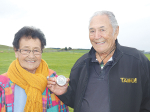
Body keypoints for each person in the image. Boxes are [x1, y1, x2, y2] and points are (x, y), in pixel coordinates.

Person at [47, 11, 150, 112]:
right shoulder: (80, 64)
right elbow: (77, 101)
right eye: (92, 31)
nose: (96, 36)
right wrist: (65, 92)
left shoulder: (137, 61)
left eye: (102, 30)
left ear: (116, 31)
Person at [0, 26, 69, 112]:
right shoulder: (2, 83)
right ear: (16, 52)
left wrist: (65, 94)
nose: (31, 56)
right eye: (26, 50)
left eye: (36, 50)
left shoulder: (53, 79)